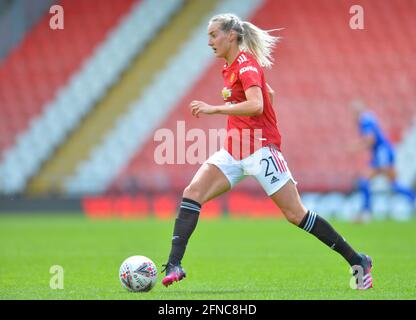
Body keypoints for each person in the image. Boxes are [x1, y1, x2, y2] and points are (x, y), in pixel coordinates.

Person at [161, 13, 373, 290]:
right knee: (192, 193)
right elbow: (268, 94)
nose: (210, 41)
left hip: (261, 150)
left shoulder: (246, 65)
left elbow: (258, 104)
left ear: (231, 35)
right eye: (208, 36)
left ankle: (358, 260)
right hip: (235, 150)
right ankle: (174, 264)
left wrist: (216, 109)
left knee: (296, 214)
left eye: (214, 35)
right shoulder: (231, 66)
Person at [350, 99, 415, 222]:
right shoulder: (368, 118)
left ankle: (366, 212)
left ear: (359, 111)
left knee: (365, 181)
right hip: (382, 153)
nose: (352, 115)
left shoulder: (365, 121)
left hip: (382, 154)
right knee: (393, 184)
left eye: (354, 112)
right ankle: (412, 198)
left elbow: (371, 139)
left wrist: (355, 147)